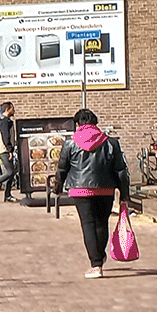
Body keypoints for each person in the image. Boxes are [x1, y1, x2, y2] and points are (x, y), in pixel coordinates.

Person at [51, 108, 130, 279]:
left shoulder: (70, 143)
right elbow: (121, 170)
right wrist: (124, 194)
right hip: (105, 188)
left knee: (88, 224)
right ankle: (99, 255)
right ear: (95, 123)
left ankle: (96, 264)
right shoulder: (111, 142)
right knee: (102, 223)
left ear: (78, 124)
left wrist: (58, 187)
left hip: (80, 190)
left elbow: (62, 168)